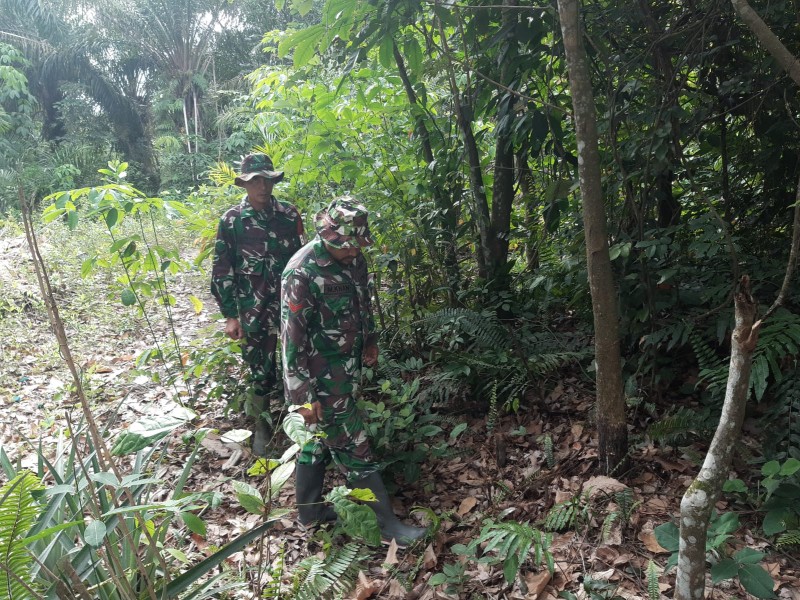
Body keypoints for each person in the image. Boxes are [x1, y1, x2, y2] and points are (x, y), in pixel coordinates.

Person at [280, 197, 427, 547]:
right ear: (328, 238)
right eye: (346, 246)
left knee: (315, 442)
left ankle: (310, 512)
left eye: (356, 246)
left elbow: (362, 301)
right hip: (318, 377)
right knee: (353, 443)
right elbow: (290, 341)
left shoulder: (353, 260)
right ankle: (387, 525)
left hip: (346, 368)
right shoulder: (301, 271)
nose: (353, 252)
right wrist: (301, 398)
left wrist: (370, 340)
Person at [211, 152, 304, 456]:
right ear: (245, 184)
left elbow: (303, 263)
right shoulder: (232, 221)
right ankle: (262, 426)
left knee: (297, 361)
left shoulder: (289, 215)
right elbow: (223, 268)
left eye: (268, 180)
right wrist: (230, 315)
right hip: (253, 308)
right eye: (256, 181)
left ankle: (299, 424)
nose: (263, 187)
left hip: (290, 305)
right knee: (260, 367)